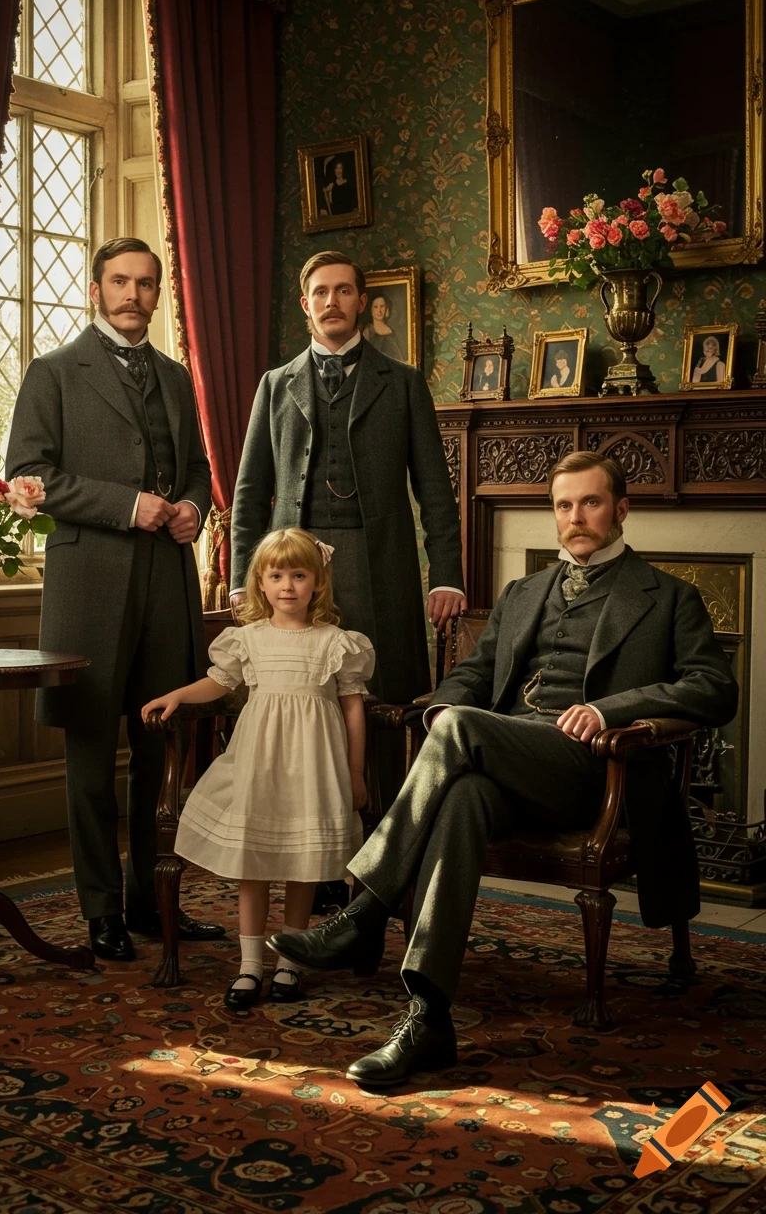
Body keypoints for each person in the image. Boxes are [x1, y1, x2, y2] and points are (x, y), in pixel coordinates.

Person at [269, 451, 738, 1087]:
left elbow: (714, 687)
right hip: (510, 761)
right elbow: (473, 674)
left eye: (591, 503)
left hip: (595, 775)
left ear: (622, 509)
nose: (576, 517)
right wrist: (443, 708)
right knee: (460, 794)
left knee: (463, 733)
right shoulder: (524, 592)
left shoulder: (668, 596)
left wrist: (607, 709)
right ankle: (429, 1018)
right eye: (564, 506)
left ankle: (366, 912)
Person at [6, 236, 224, 962]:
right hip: (88, 585)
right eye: (121, 282)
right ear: (97, 288)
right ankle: (100, 910)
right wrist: (126, 505)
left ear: (159, 295)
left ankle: (149, 903)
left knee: (162, 748)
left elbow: (194, 468)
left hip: (167, 581)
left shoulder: (173, 373)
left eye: (147, 284)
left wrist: (193, 506)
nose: (135, 295)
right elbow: (28, 478)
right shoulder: (54, 372)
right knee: (92, 756)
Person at [142, 528, 374, 1008]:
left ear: (317, 582)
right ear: (261, 585)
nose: (287, 585)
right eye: (276, 575)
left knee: (302, 865)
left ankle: (290, 960)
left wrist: (355, 773)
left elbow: (353, 708)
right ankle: (249, 966)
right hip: (259, 764)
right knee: (255, 864)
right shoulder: (247, 639)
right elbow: (216, 682)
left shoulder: (336, 642)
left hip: (314, 769)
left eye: (298, 574)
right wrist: (177, 696)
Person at [231, 251, 465, 709]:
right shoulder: (275, 385)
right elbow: (250, 492)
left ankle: (378, 784)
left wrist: (447, 577)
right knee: (299, 698)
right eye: (321, 292)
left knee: (379, 694)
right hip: (293, 564)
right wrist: (242, 576)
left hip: (378, 561)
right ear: (306, 304)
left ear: (361, 300)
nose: (331, 301)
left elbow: (436, 491)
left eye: (342, 291)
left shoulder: (403, 383)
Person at [362, 293, 405, 362]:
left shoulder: (391, 331)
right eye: (376, 307)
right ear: (371, 310)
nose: (379, 311)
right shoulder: (368, 332)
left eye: (382, 306)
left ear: (386, 309)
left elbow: (398, 358)